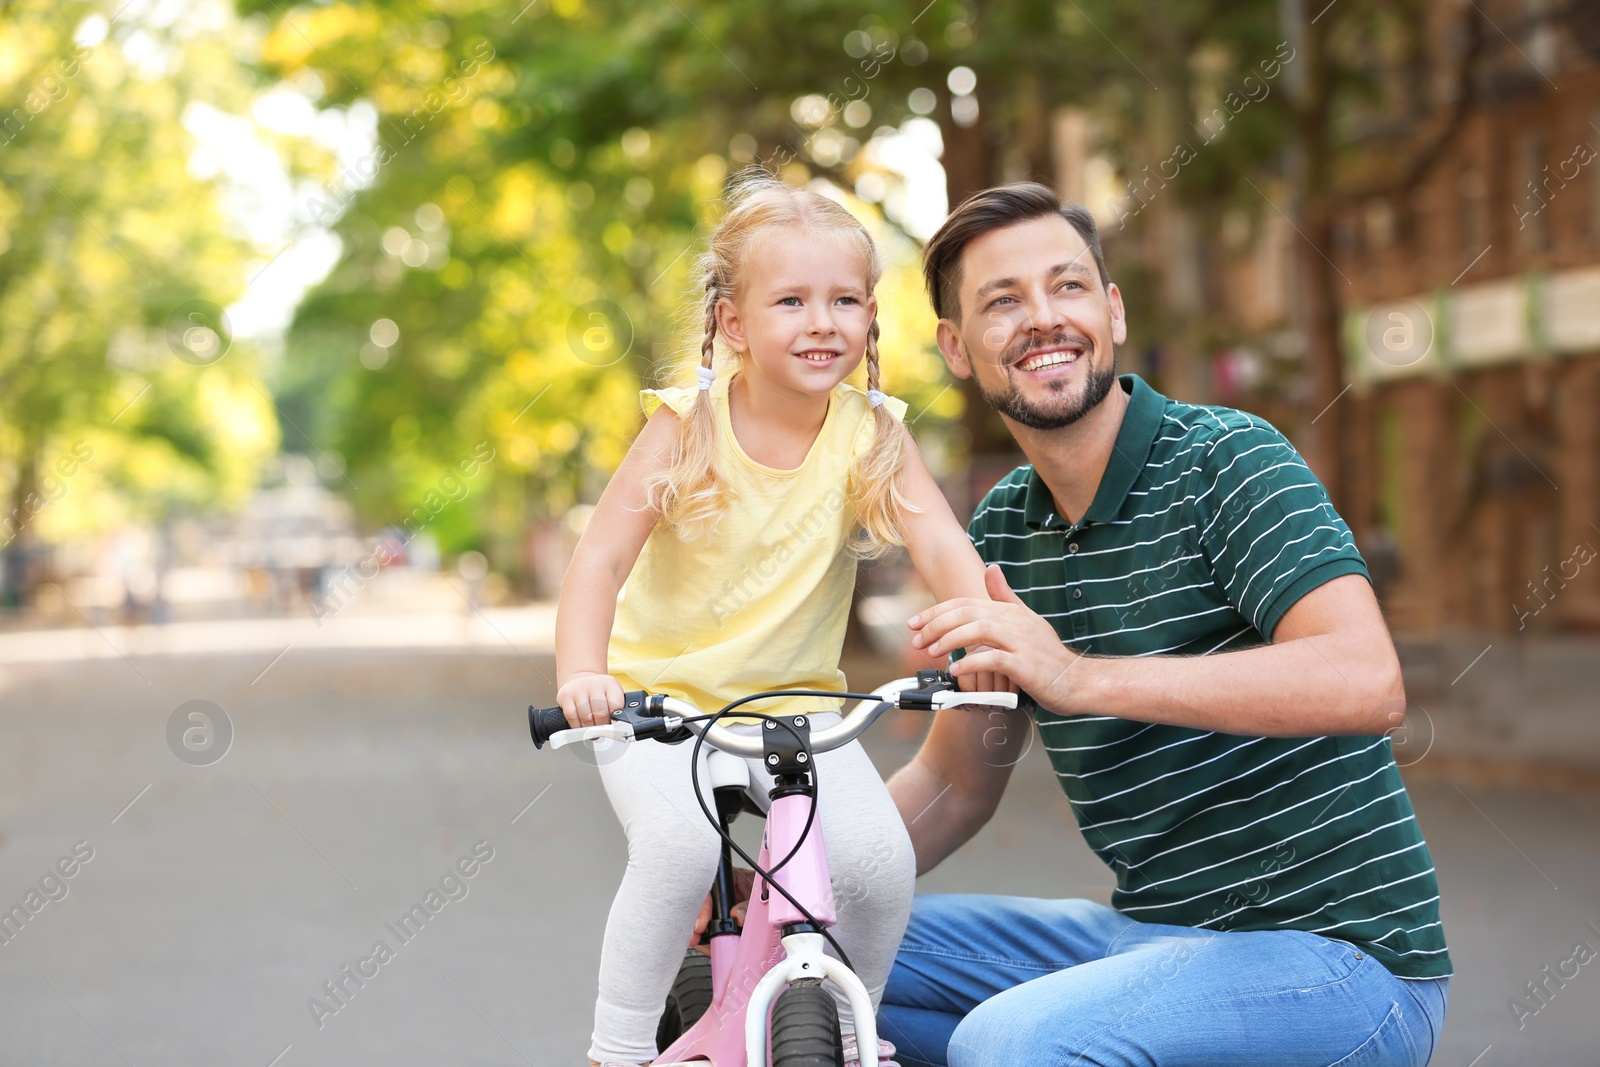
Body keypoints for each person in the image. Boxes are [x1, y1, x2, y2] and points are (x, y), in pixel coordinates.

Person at [879, 183, 1451, 1067]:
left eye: (1067, 287)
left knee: (1010, 1041)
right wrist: (777, 891)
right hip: (1153, 939)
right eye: (1003, 300)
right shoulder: (996, 535)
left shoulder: (1227, 458)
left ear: (1110, 311)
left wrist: (1075, 674)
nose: (1043, 319)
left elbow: (1365, 679)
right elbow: (957, 782)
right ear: (956, 347)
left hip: (1345, 962)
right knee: (816, 961)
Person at [555, 174, 1006, 1067]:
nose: (820, 322)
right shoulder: (688, 429)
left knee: (877, 866)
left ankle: (849, 1032)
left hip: (795, 716)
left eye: (844, 301)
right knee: (680, 851)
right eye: (791, 300)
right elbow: (599, 560)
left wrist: (979, 633)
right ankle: (613, 1051)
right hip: (659, 708)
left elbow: (946, 548)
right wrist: (583, 672)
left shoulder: (872, 431)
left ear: (871, 318)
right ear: (732, 324)